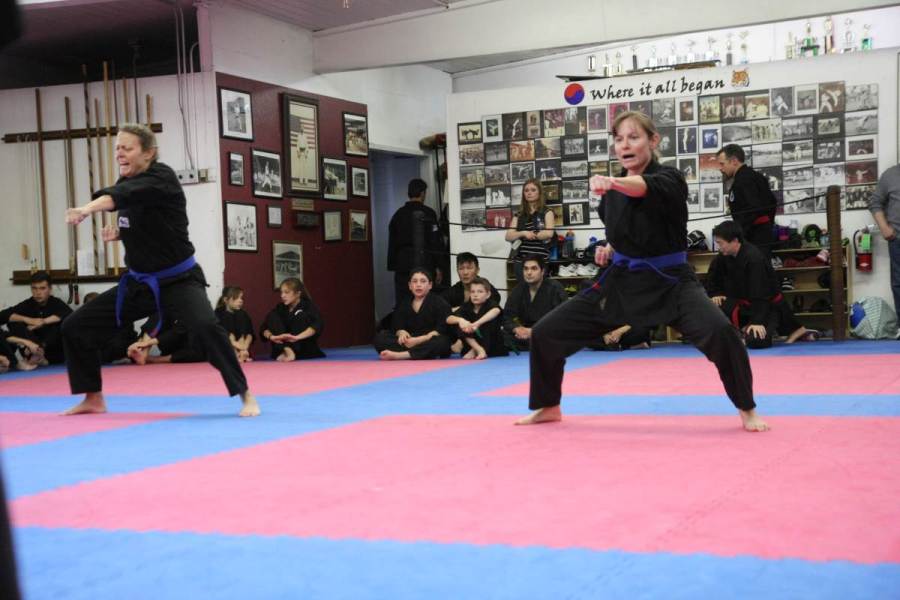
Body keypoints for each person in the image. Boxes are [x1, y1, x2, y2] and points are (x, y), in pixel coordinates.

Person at [517, 111, 767, 432]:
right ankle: (548, 405)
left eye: (634, 137)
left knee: (723, 335)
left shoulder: (670, 178)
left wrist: (613, 182)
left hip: (671, 282)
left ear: (653, 141)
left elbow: (642, 188)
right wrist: (610, 247)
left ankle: (747, 408)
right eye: (619, 139)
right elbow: (626, 230)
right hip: (621, 283)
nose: (625, 145)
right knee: (545, 333)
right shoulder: (610, 197)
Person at [61, 123, 260, 417]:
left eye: (127, 148)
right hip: (140, 284)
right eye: (117, 148)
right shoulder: (128, 182)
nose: (119, 154)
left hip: (179, 280)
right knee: (75, 326)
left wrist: (85, 209)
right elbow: (146, 220)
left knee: (206, 328)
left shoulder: (162, 177)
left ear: (149, 153)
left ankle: (245, 394)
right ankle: (93, 398)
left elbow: (122, 196)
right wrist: (120, 234)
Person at [707, 221, 814, 347]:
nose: (718, 247)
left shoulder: (754, 258)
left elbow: (761, 292)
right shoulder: (723, 256)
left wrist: (757, 321)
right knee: (715, 303)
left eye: (720, 243)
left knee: (756, 340)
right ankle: (743, 330)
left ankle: (796, 330)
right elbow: (713, 278)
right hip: (742, 305)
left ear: (735, 240)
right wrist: (716, 293)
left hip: (764, 306)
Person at [387, 178, 445, 308]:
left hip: (403, 265)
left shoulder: (398, 215)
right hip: (425, 263)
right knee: (425, 301)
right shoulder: (429, 213)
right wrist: (439, 266)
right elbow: (435, 241)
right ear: (423, 193)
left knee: (403, 302)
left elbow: (392, 242)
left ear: (409, 193)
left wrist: (394, 265)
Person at [374, 268, 452, 360]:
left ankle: (402, 355)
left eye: (423, 281)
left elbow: (441, 330)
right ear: (410, 285)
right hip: (410, 340)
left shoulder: (440, 303)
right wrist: (401, 333)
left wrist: (418, 340)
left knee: (442, 342)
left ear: (430, 285)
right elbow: (397, 326)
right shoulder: (404, 303)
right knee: (380, 338)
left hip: (428, 339)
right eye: (414, 281)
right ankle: (419, 353)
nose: (418, 285)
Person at [717, 144, 778, 258]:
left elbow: (753, 209)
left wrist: (741, 235)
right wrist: (768, 226)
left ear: (734, 161)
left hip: (753, 239)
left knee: (754, 267)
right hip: (763, 236)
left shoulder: (743, 180)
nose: (720, 168)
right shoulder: (757, 176)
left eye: (722, 164)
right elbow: (772, 202)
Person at [0, 271, 72, 365]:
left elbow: (70, 315)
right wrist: (28, 320)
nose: (38, 293)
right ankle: (37, 354)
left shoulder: (56, 303)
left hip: (53, 352)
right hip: (32, 350)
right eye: (34, 288)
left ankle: (42, 354)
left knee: (64, 323)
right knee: (13, 322)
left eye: (42, 288)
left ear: (50, 289)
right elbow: (3, 315)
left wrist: (44, 321)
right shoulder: (28, 304)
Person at [502, 255, 568, 351]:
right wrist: (517, 329)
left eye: (534, 268)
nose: (529, 272)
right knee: (500, 336)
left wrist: (534, 331)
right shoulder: (518, 290)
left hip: (546, 333)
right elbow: (507, 317)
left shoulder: (555, 288)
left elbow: (562, 319)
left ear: (542, 271)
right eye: (526, 269)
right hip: (524, 335)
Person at [260, 277, 325, 362]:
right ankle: (288, 350)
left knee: (300, 315)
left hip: (302, 347)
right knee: (272, 316)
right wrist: (272, 337)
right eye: (281, 292)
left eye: (286, 292)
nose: (282, 295)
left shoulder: (308, 306)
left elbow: (316, 326)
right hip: (282, 347)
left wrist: (297, 337)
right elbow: (264, 328)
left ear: (298, 294)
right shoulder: (280, 308)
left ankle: (290, 351)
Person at [447, 276, 507, 359]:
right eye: (472, 292)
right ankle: (478, 349)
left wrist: (477, 324)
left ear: (488, 294)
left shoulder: (490, 304)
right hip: (472, 344)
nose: (475, 295)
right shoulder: (467, 306)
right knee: (460, 324)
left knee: (489, 322)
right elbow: (448, 318)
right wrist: (461, 320)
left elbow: (496, 311)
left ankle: (476, 350)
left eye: (480, 292)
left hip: (492, 345)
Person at [869, 163, 900, 322]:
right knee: (899, 284)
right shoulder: (890, 175)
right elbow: (875, 203)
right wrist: (884, 228)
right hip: (898, 240)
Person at [506, 181, 555, 270]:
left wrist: (533, 234)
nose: (529, 193)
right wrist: (523, 233)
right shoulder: (519, 214)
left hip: (540, 262)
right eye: (526, 190)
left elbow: (549, 234)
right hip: (521, 261)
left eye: (533, 190)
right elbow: (508, 236)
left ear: (539, 192)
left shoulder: (547, 212)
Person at [215, 286, 254, 363]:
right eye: (236, 298)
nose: (240, 301)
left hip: (242, 345)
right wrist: (236, 345)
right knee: (228, 330)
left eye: (241, 298)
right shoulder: (218, 314)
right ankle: (235, 354)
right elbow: (221, 335)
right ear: (226, 300)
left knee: (241, 317)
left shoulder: (243, 314)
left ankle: (241, 353)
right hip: (226, 346)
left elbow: (250, 333)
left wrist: (245, 346)